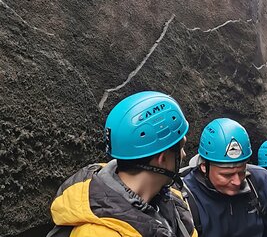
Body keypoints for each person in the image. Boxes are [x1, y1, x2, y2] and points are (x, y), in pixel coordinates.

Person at [47, 91, 197, 237]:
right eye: (181, 148)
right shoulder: (98, 233)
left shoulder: (172, 198)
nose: (184, 154)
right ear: (162, 158)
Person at [182, 118, 267, 237]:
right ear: (204, 166)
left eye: (241, 171)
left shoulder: (260, 181)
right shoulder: (185, 196)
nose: (237, 181)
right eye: (226, 175)